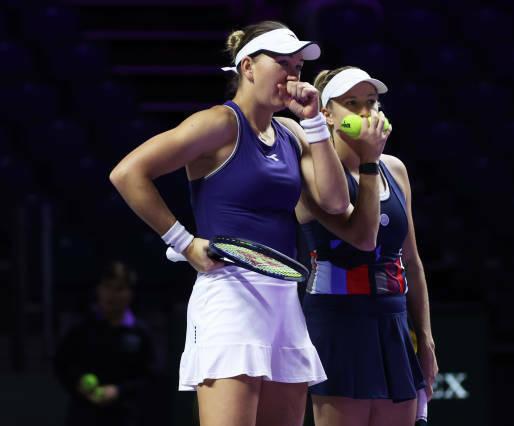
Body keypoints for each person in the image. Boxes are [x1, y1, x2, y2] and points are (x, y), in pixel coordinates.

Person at [109, 21, 350, 426]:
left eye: (297, 66)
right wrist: (185, 243)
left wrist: (313, 121)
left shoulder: (292, 131)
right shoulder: (218, 123)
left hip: (284, 301)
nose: (293, 75)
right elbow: (127, 173)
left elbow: (336, 201)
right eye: (282, 63)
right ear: (248, 67)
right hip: (230, 297)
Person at [296, 66, 438, 426]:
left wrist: (425, 340)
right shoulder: (312, 172)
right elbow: (363, 238)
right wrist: (370, 160)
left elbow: (412, 262)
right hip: (337, 324)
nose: (365, 113)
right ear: (327, 114)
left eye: (371, 102)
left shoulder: (396, 170)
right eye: (352, 104)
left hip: (393, 324)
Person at [55, 260, 156, 426]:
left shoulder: (141, 333)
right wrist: (77, 383)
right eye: (107, 287)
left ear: (130, 294)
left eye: (119, 288)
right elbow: (62, 365)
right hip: (83, 416)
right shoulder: (80, 328)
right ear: (98, 289)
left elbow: (149, 377)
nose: (112, 294)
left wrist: (119, 391)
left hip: (127, 417)